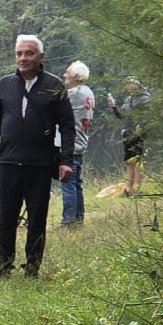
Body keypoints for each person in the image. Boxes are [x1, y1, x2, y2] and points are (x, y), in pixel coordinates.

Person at [0, 34, 75, 278]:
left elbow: (67, 126)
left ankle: (32, 268)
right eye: (19, 53)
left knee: (37, 219)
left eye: (29, 53)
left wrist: (66, 161)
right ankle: (3, 267)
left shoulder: (55, 86)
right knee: (5, 219)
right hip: (9, 162)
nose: (23, 58)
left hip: (41, 164)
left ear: (41, 57)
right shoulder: (3, 85)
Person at [59, 60, 95, 227]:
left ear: (75, 76)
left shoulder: (73, 94)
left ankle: (69, 222)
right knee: (76, 183)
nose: (64, 75)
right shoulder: (88, 92)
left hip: (70, 144)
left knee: (68, 184)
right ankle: (78, 219)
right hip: (81, 141)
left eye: (67, 72)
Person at [109, 80, 151, 194]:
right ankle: (129, 188)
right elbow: (121, 116)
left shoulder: (145, 99)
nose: (128, 86)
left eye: (130, 84)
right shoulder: (129, 99)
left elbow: (148, 116)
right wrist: (114, 107)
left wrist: (141, 126)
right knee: (129, 160)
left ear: (137, 85)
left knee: (137, 160)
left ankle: (137, 188)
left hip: (137, 132)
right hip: (126, 131)